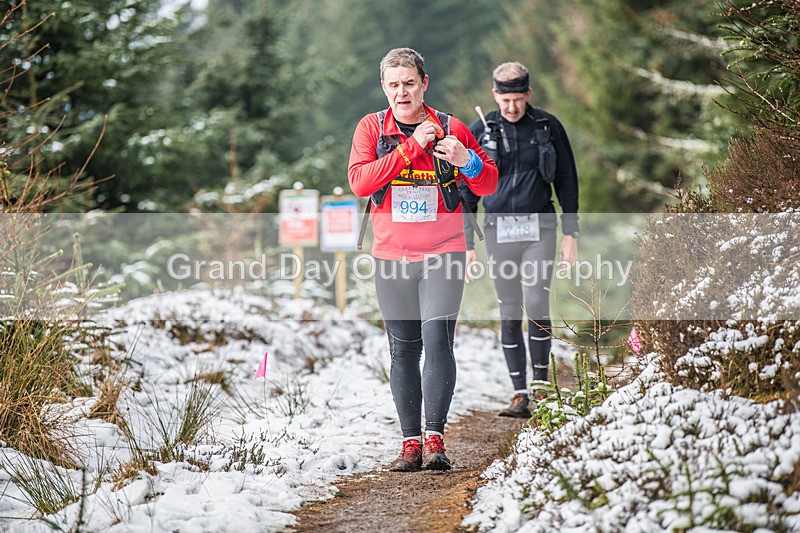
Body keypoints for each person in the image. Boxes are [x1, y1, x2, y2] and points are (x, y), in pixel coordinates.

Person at [348, 48, 498, 471]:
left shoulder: (451, 127)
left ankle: (435, 440)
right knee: (403, 350)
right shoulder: (371, 128)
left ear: (424, 83)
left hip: (444, 251)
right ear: (384, 87)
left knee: (437, 341)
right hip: (391, 256)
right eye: (394, 84)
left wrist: (466, 160)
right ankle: (409, 443)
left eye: (409, 83)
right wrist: (412, 148)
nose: (402, 92)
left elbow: (488, 183)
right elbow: (360, 182)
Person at [459, 61, 579, 419]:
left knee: (535, 301)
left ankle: (541, 390)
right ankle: (519, 394)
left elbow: (567, 180)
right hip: (498, 231)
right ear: (494, 95)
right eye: (504, 99)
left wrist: (571, 233)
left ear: (528, 94)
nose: (511, 107)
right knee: (509, 310)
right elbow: (466, 192)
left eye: (518, 99)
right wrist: (467, 246)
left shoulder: (547, 126)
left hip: (539, 227)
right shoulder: (480, 131)